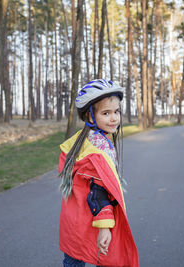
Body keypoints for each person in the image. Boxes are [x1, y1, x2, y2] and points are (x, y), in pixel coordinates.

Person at [58, 79, 139, 267]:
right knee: (105, 257)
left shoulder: (81, 139)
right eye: (106, 113)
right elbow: (99, 191)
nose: (114, 118)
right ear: (90, 115)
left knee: (73, 259)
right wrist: (105, 227)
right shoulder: (99, 147)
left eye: (116, 111)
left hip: (75, 220)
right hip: (93, 219)